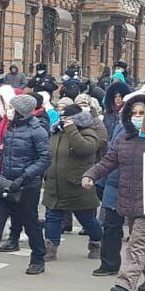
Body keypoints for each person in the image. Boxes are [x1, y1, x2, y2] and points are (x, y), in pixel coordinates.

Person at [82, 95, 145, 291]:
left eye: (142, 113)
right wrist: (90, 175)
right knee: (144, 242)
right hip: (128, 197)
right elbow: (108, 161)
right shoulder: (123, 138)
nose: (137, 116)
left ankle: (125, 283)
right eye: (133, 113)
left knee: (137, 242)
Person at [0, 94, 51, 277]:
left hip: (26, 185)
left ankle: (38, 258)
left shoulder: (37, 131)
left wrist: (24, 177)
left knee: (30, 223)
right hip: (5, 182)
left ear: (21, 112)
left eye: (12, 108)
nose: (9, 111)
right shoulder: (11, 128)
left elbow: (45, 158)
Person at [42, 104, 105, 261]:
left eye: (67, 118)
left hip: (77, 186)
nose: (64, 121)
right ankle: (50, 248)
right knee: (52, 217)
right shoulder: (56, 133)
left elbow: (85, 149)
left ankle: (97, 242)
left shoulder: (88, 132)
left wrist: (71, 130)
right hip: (55, 185)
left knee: (87, 219)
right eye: (62, 118)